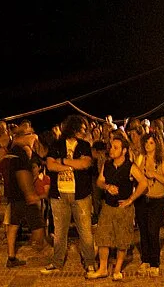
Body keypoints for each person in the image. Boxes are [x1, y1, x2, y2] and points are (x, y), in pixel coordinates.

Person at [41, 115, 99, 275]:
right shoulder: (56, 144)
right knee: (60, 231)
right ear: (73, 129)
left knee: (85, 231)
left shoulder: (85, 145)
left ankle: (89, 262)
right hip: (59, 194)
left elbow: (85, 163)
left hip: (80, 194)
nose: (85, 132)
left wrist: (64, 162)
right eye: (82, 129)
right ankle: (57, 262)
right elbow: (50, 165)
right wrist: (74, 165)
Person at [91, 132, 144, 280]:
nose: (112, 150)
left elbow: (143, 183)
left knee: (122, 239)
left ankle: (117, 269)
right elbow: (99, 181)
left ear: (124, 150)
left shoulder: (130, 166)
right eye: (111, 147)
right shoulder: (107, 164)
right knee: (103, 237)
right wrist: (107, 186)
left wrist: (131, 199)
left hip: (123, 208)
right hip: (108, 206)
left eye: (115, 147)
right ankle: (102, 268)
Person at [1, 131, 45, 268]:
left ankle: (11, 256)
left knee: (13, 225)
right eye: (30, 134)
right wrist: (29, 193)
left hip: (14, 194)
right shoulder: (19, 152)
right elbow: (22, 173)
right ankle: (40, 253)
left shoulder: (13, 151)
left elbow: (42, 154)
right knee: (38, 228)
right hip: (23, 195)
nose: (33, 136)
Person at [132, 131, 164, 275]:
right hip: (142, 199)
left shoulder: (163, 160)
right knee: (143, 230)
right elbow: (134, 173)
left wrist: (154, 174)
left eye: (151, 143)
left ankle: (155, 262)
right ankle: (145, 260)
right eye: (146, 143)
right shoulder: (140, 158)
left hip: (157, 199)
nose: (148, 145)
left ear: (157, 144)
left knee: (153, 231)